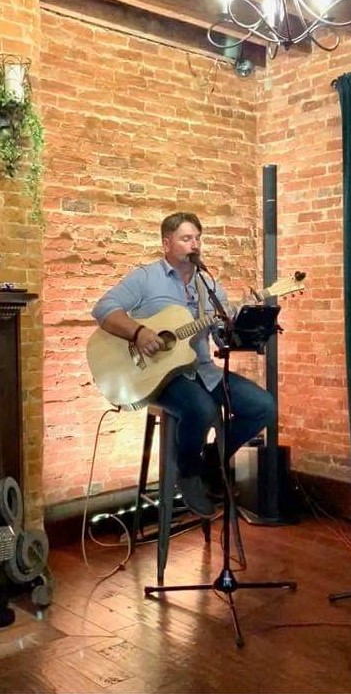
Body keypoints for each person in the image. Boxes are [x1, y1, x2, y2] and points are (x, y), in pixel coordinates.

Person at [92, 211, 275, 519]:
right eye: (186, 238)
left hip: (202, 369)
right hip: (158, 377)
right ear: (167, 243)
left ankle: (211, 463)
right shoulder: (146, 277)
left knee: (263, 405)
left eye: (198, 238)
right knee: (201, 409)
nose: (195, 245)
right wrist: (139, 332)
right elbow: (103, 309)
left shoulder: (210, 287)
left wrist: (235, 324)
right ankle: (188, 474)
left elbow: (220, 340)